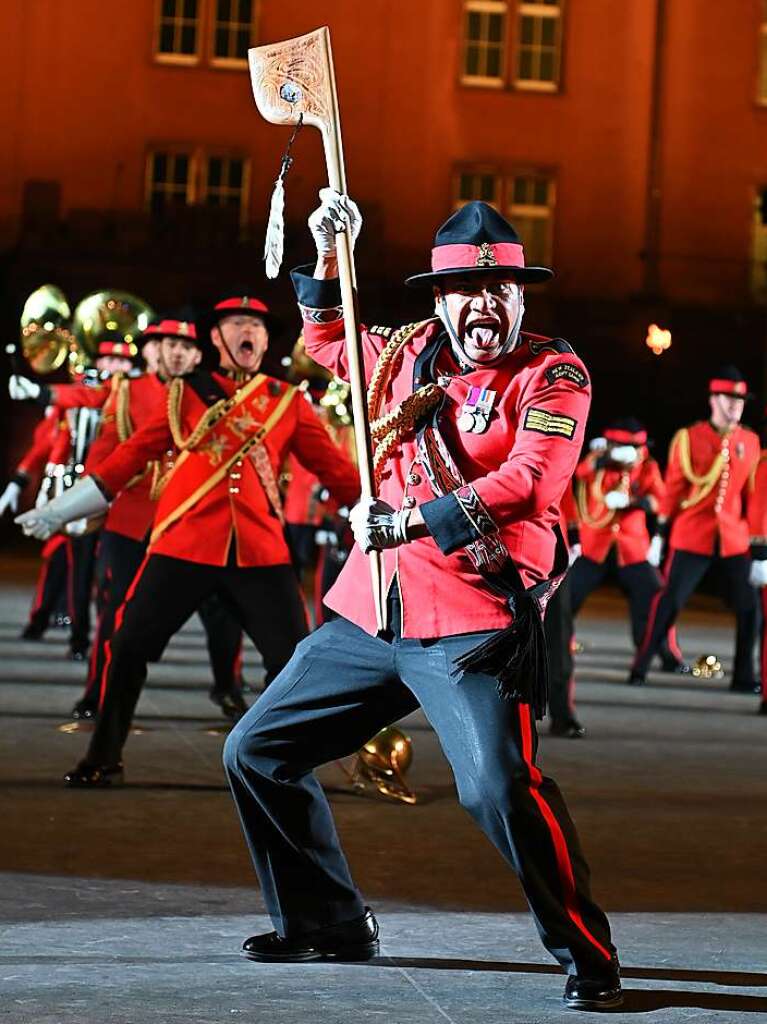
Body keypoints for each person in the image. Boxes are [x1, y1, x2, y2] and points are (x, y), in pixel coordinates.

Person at [221, 194, 622, 1012]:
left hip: (472, 620)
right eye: (465, 291)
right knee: (255, 751)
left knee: (498, 790)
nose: (483, 304)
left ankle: (586, 951)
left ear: (519, 297)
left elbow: (530, 482)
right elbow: (329, 340)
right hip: (375, 611)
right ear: (439, 300)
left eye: (499, 289)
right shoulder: (404, 352)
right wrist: (333, 251)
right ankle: (327, 922)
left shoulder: (553, 371)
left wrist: (406, 519)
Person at [16, 295, 359, 783]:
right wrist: (58, 510)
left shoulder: (287, 402)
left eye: (258, 327)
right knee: (129, 644)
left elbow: (337, 472)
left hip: (260, 552)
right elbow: (130, 456)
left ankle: (288, 762)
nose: (250, 332)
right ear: (216, 338)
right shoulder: (185, 396)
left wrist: (379, 512)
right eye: (238, 323)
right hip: (184, 545)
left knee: (294, 662)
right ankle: (103, 756)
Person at [629, 369, 760, 690]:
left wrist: (758, 543)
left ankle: (744, 677)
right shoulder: (690, 437)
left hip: (733, 537)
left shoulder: (750, 441)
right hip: (692, 534)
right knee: (670, 602)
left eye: (740, 400)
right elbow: (673, 489)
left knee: (750, 608)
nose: (735, 406)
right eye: (730, 399)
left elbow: (754, 496)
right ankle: (641, 666)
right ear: (714, 399)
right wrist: (660, 531)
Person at [571, 419, 685, 670]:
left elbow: (661, 500)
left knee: (655, 597)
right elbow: (580, 472)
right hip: (595, 547)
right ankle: (554, 648)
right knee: (565, 595)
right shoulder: (598, 461)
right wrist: (600, 461)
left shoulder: (647, 466)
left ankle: (665, 654)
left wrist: (636, 501)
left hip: (631, 548)